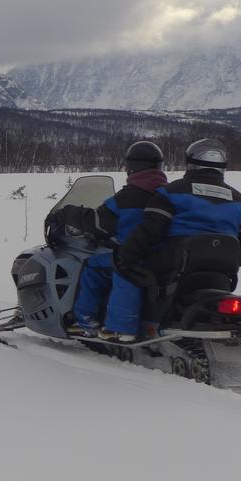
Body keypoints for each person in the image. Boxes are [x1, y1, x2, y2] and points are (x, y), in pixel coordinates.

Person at [115, 138, 241, 327]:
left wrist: (126, 255)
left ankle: (124, 327)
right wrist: (234, 260)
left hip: (175, 261)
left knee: (126, 268)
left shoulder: (171, 192)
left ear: (190, 163)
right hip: (223, 268)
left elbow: (151, 230)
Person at [57, 141, 168, 341]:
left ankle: (84, 321)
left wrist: (69, 214)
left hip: (132, 258)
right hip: (163, 259)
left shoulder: (126, 198)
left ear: (132, 167)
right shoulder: (168, 194)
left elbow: (97, 222)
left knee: (92, 266)